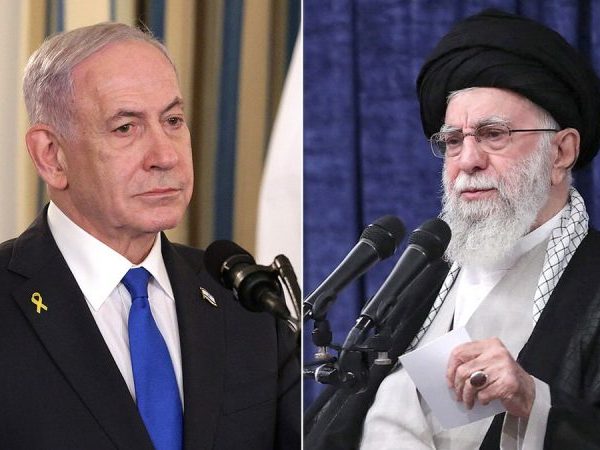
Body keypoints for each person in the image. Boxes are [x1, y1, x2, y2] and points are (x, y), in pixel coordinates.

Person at [0, 23, 300, 449]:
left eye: (173, 120)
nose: (166, 156)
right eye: (126, 127)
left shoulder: (245, 299)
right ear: (51, 155)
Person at [359, 9, 600, 449]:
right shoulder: (422, 282)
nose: (468, 160)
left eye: (493, 134)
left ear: (561, 152)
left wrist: (533, 400)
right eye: (454, 141)